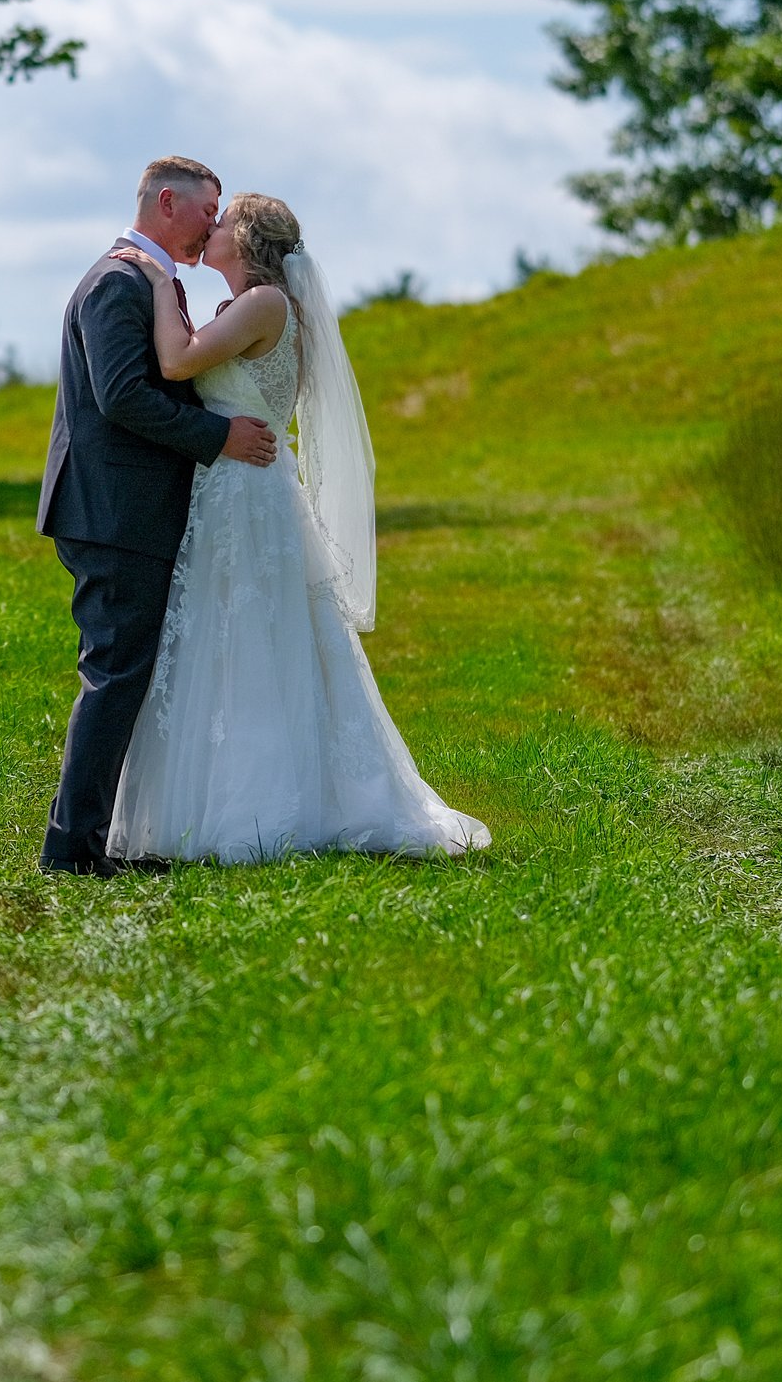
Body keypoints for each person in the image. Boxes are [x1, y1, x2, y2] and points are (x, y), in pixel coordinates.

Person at [107, 191, 489, 862]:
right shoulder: (251, 307)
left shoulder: (264, 303)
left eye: (223, 221)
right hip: (236, 486)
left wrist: (160, 278)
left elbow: (175, 363)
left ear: (247, 238)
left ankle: (252, 807)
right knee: (231, 637)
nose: (212, 228)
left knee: (248, 639)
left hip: (246, 496)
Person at [35, 157, 280, 877]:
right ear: (168, 203)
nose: (215, 223)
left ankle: (95, 839)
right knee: (114, 676)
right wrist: (218, 437)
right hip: (113, 511)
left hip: (124, 510)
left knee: (125, 675)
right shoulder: (118, 281)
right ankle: (73, 852)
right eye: (208, 209)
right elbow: (122, 397)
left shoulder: (147, 280)